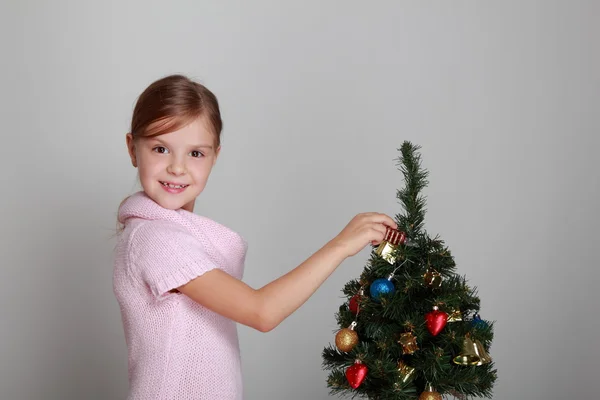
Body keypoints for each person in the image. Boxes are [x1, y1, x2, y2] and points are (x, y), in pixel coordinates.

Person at [113, 74, 397, 399]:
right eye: (161, 148)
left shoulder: (174, 234)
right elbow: (261, 312)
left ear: (214, 157)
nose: (177, 167)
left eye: (195, 153)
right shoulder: (157, 239)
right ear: (132, 148)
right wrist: (341, 245)